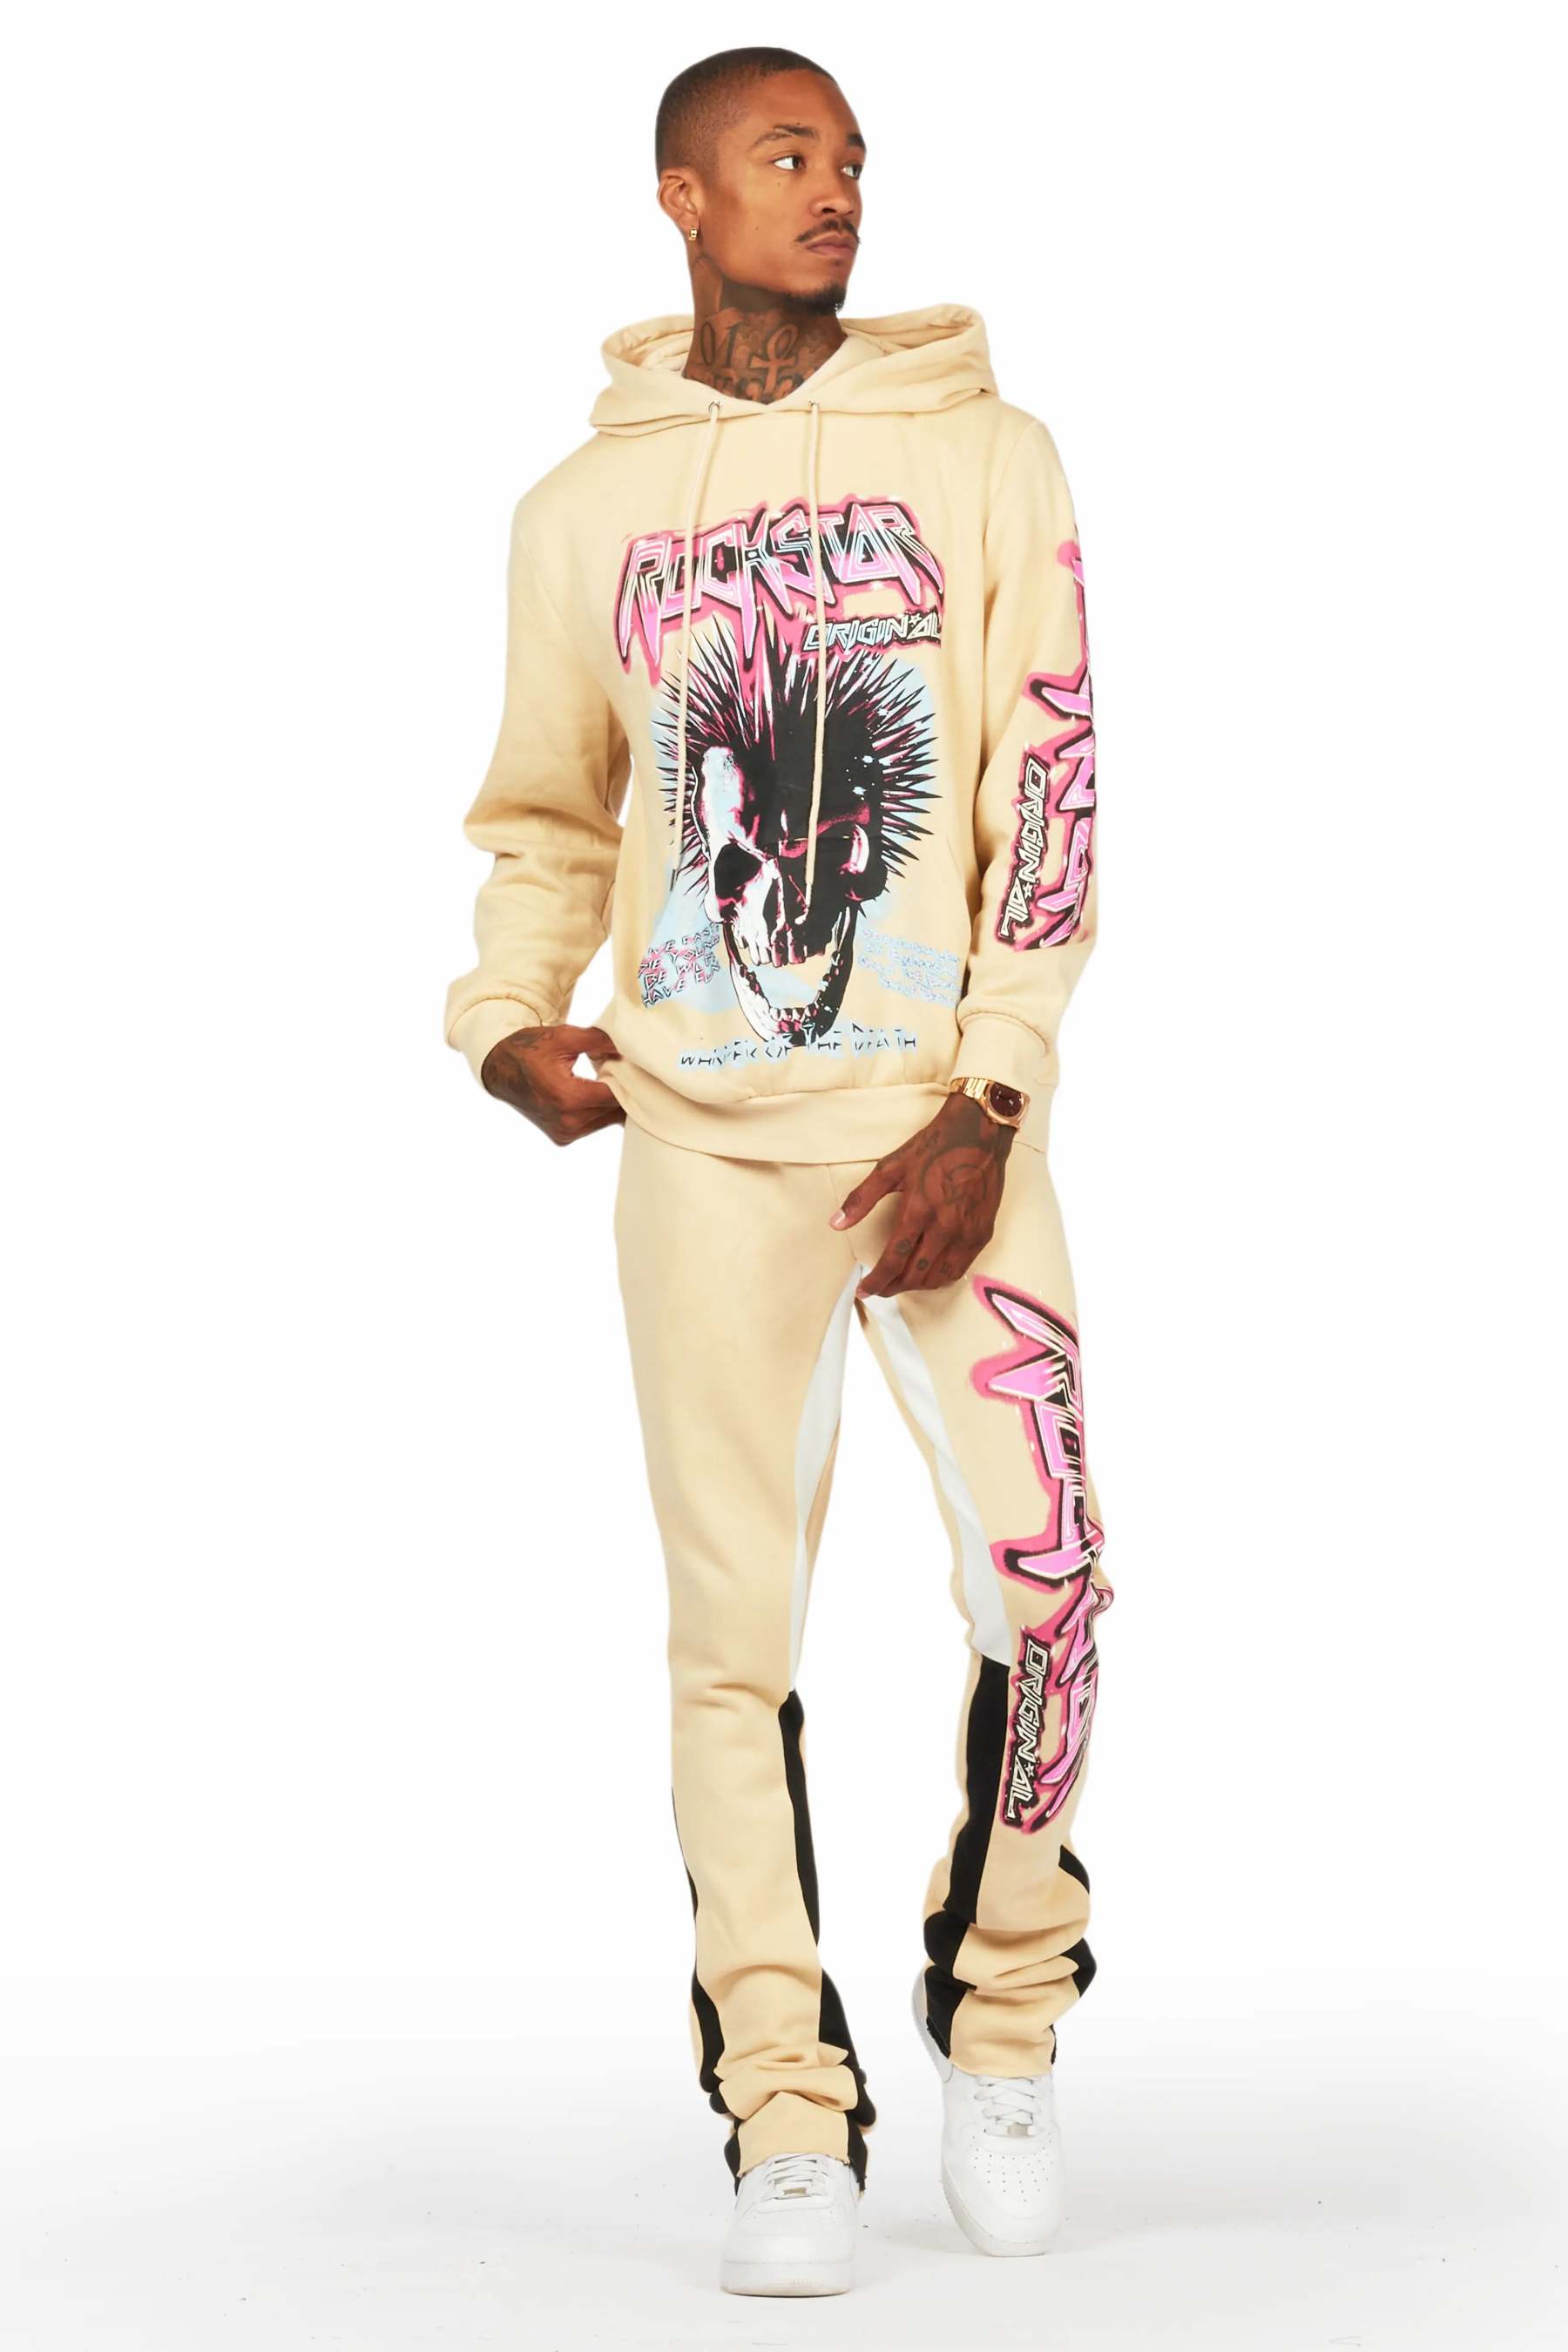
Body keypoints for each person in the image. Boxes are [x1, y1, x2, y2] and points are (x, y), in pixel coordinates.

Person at [443, 44, 1112, 2299]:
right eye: (785, 155)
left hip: (943, 1131)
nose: (835, 191)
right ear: (682, 194)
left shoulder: (988, 455)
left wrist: (989, 1095)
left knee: (1053, 1587)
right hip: (706, 1150)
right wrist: (505, 1016)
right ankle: (783, 2101)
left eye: (850, 158)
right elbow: (549, 810)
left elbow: (1052, 788)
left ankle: (1002, 2009)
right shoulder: (580, 510)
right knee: (733, 1640)